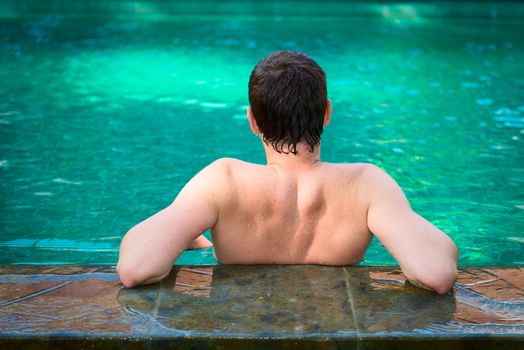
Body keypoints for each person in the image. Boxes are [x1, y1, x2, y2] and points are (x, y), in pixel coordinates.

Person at [117, 51, 458, 294]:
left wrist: (183, 231)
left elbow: (135, 268)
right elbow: (436, 273)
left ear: (252, 120)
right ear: (326, 114)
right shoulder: (364, 185)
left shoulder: (225, 181)